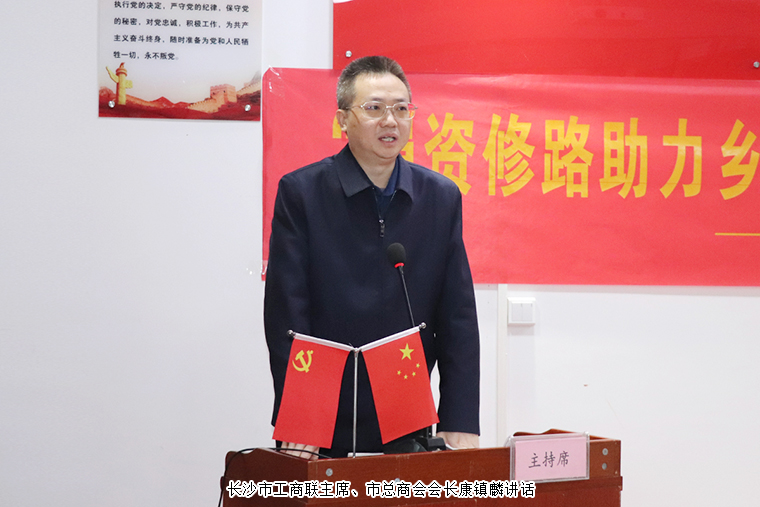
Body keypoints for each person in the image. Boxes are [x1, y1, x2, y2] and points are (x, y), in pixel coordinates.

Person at [264, 56, 480, 459]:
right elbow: (287, 315)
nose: (390, 121)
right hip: (323, 416)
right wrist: (303, 416)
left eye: (401, 108)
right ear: (343, 120)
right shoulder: (302, 193)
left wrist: (460, 419)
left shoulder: (440, 197)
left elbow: (458, 317)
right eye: (374, 108)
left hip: (406, 411)